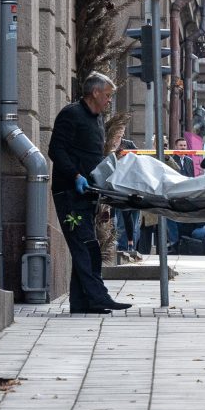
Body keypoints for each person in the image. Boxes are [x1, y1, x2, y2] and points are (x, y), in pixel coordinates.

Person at [47, 72, 132, 314]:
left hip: (88, 194)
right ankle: (99, 297)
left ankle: (81, 301)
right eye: (107, 95)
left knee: (84, 245)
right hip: (69, 193)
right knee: (86, 245)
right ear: (94, 92)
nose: (108, 101)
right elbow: (56, 149)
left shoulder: (95, 119)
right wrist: (75, 176)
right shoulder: (71, 114)